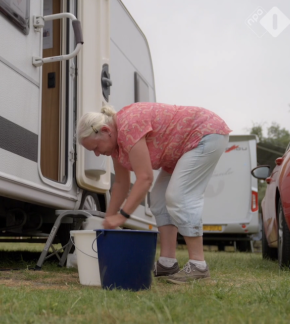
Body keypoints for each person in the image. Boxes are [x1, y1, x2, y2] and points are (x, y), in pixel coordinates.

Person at [77, 102, 231, 284]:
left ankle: (198, 264)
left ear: (105, 130)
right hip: (180, 150)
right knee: (158, 200)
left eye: (95, 148)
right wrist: (108, 219)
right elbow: (121, 183)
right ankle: (167, 263)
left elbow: (145, 178)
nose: (96, 154)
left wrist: (122, 216)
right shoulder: (116, 144)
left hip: (205, 133)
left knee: (179, 196)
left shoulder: (128, 127)